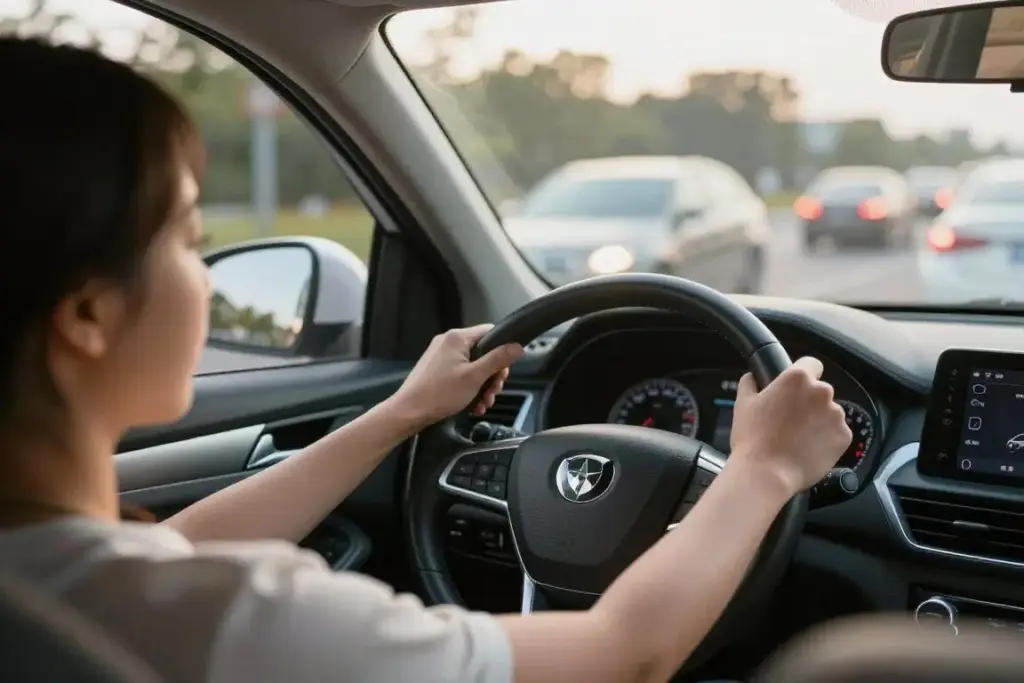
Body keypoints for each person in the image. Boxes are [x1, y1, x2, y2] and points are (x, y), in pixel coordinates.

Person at [0, 36, 853, 683]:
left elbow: (167, 556)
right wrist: (764, 467)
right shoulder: (238, 620)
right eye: (191, 239)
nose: (208, 272)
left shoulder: (69, 585)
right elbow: (622, 654)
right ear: (87, 311)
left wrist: (400, 415)